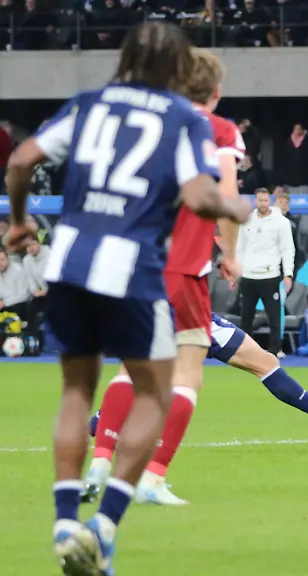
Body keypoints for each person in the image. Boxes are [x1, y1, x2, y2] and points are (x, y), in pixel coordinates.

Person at [2, 21, 250, 576]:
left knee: (74, 389)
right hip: (132, 264)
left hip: (68, 258)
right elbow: (198, 195)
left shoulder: (88, 104)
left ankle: (65, 522)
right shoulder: (184, 118)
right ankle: (104, 526)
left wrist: (18, 223)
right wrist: (231, 210)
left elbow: (21, 160)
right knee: (156, 394)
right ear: (177, 68)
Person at [83, 47, 247, 507]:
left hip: (133, 264)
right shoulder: (219, 129)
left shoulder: (144, 123)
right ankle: (153, 477)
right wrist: (230, 251)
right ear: (215, 92)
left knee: (128, 367)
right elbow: (227, 194)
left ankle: (100, 460)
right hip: (183, 269)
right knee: (187, 376)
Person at [87, 311, 308, 470]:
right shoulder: (173, 228)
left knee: (265, 362)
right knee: (149, 382)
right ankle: (101, 433)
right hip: (179, 318)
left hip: (193, 315)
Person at [237, 187, 296, 357]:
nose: (263, 203)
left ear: (269, 200)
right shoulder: (246, 220)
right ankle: (245, 350)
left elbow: (287, 249)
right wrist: (236, 272)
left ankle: (275, 349)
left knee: (274, 315)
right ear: (255, 201)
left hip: (270, 275)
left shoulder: (281, 222)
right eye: (259, 200)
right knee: (246, 316)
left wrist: (288, 274)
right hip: (248, 275)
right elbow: (240, 247)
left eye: (265, 200)